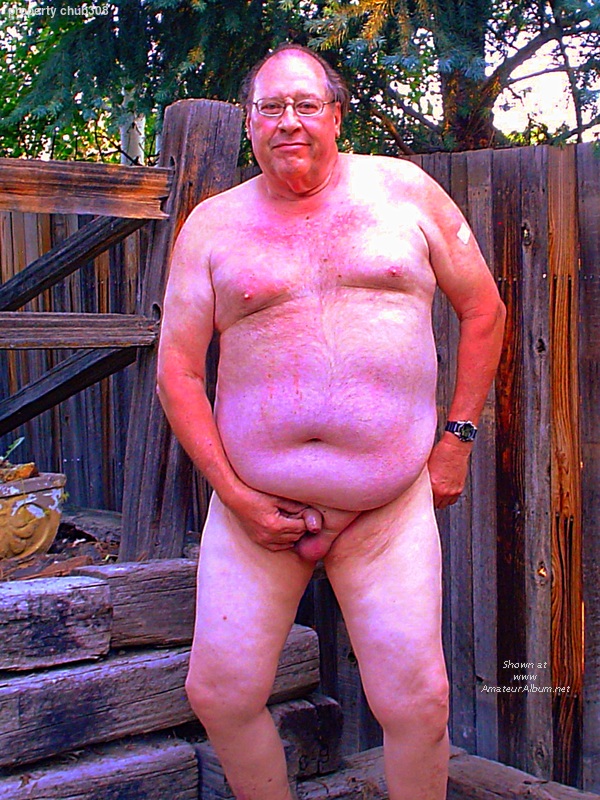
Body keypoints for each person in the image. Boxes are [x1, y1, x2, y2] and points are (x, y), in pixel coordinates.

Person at [157, 43, 506, 800]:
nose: (289, 121)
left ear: (336, 115)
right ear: (249, 122)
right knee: (219, 694)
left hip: (387, 507)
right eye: (271, 108)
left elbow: (484, 310)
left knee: (419, 706)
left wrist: (457, 441)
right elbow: (177, 372)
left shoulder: (406, 193)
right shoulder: (212, 227)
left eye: (305, 105)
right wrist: (235, 495)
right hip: (256, 509)